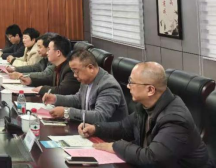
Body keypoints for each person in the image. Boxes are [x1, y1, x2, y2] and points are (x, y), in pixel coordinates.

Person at [80, 62, 212, 167]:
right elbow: (124, 128)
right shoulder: (145, 107)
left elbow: (152, 158)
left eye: (132, 82)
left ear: (150, 90)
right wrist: (96, 128)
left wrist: (115, 146)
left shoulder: (175, 119)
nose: (128, 86)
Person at [42, 49, 128, 123]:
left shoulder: (108, 85)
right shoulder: (86, 80)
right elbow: (78, 99)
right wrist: (55, 98)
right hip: (88, 129)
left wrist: (67, 112)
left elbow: (100, 116)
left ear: (90, 68)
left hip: (108, 135)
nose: (74, 75)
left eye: (76, 71)